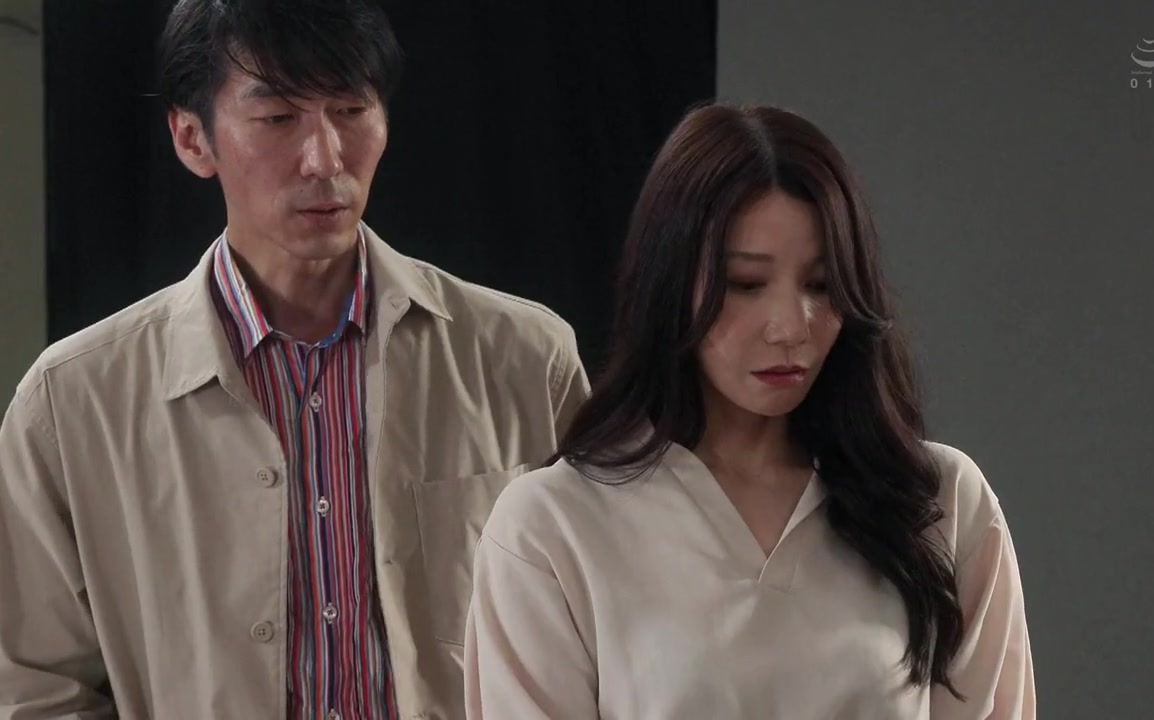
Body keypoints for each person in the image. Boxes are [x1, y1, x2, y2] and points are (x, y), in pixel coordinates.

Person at [0, 1, 588, 718]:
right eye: (278, 118)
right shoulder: (72, 402)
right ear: (192, 138)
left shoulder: (524, 360)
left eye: (350, 110)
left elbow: (597, 635)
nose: (325, 159)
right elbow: (36, 691)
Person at [464, 103, 1035, 719]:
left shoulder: (941, 503)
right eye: (745, 284)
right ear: (668, 285)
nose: (791, 327)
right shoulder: (551, 526)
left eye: (821, 284)